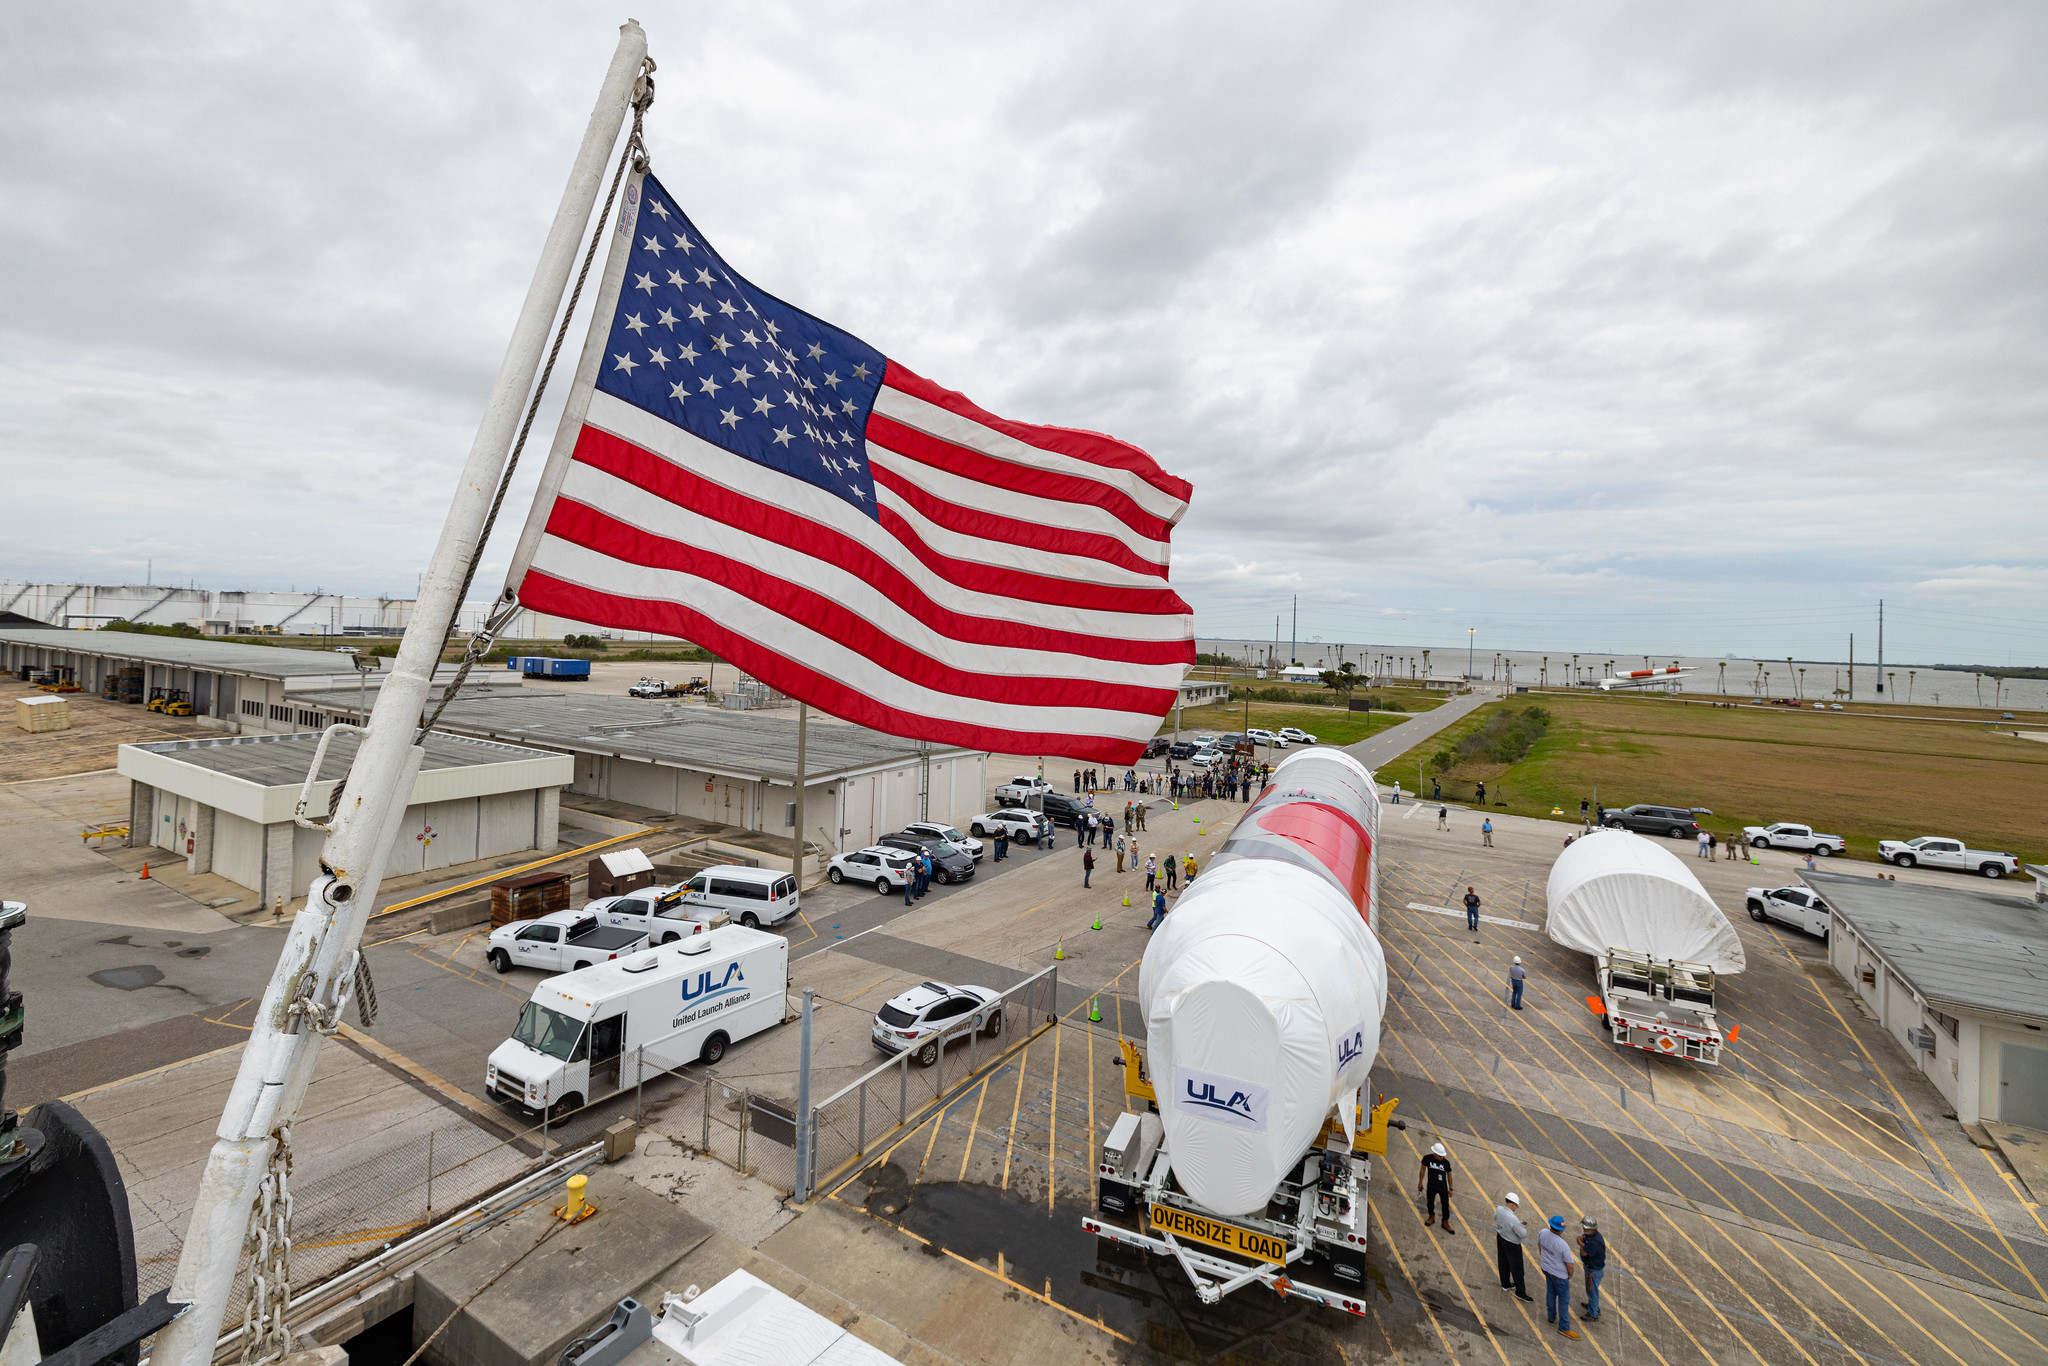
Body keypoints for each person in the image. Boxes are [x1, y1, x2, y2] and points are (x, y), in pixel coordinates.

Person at [1537, 1214, 1580, 1337]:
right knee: (1563, 1300)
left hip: (1546, 1269)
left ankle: (1551, 1318)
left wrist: (1546, 1261)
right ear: (1561, 1230)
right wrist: (1569, 1275)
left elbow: (1540, 1246)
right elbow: (1570, 1265)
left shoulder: (1543, 1232)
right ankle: (1564, 1327)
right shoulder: (1562, 1245)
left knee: (1550, 1292)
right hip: (1560, 1276)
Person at [1495, 1193, 1533, 1301]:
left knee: (1503, 1262)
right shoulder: (1513, 1219)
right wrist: (1522, 1227)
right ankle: (1520, 1292)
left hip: (1501, 1238)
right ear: (1513, 1204)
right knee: (1517, 1268)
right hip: (1512, 1244)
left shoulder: (1499, 1209)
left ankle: (1505, 1284)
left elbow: (1495, 1218)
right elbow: (1522, 1234)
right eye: (1516, 1206)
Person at [1419, 1142, 1455, 1232]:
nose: (1441, 1158)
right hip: (1431, 1186)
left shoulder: (1446, 1163)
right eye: (1440, 1156)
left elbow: (1449, 1175)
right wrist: (1420, 1182)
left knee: (1445, 1205)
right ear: (1435, 1153)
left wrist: (1450, 1189)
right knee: (1430, 1202)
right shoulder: (1427, 1159)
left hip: (1442, 1187)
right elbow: (1422, 1170)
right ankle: (1431, 1217)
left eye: (1442, 1156)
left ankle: (1445, 1222)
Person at [1579, 1215, 1607, 1321]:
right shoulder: (1593, 1236)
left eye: (1585, 1229)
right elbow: (1584, 1238)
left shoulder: (1594, 1243)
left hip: (1593, 1271)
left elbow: (1583, 1252)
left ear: (1592, 1229)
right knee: (1590, 1290)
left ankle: (1593, 1313)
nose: (1584, 1230)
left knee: (1592, 1292)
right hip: (1592, 1269)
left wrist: (1580, 1243)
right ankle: (1592, 1306)